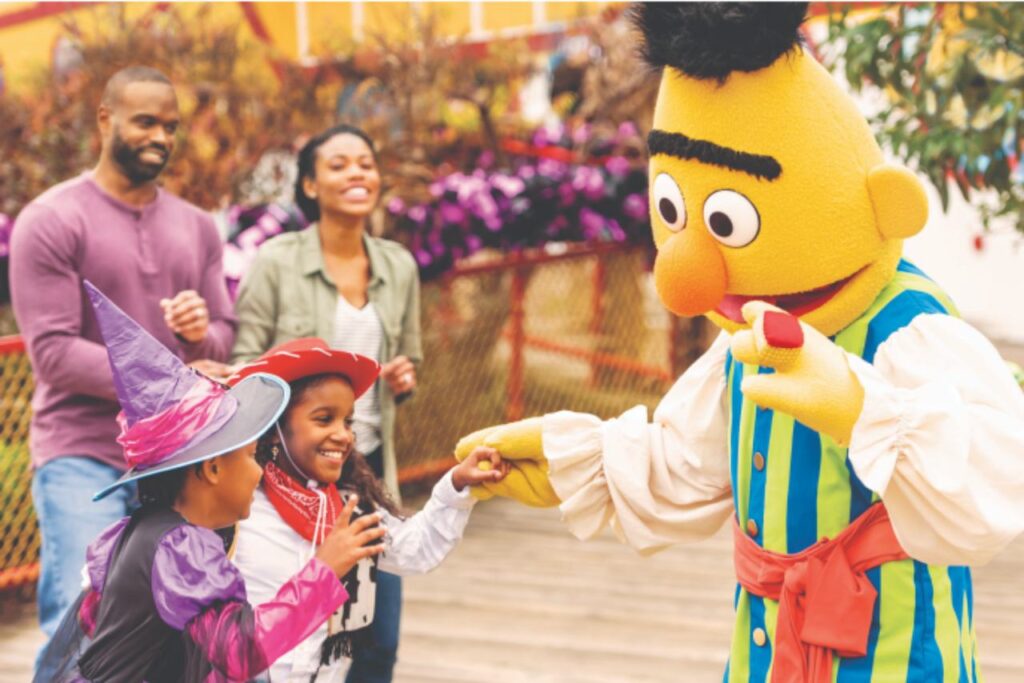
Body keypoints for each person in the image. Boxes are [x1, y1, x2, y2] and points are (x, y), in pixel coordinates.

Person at [455, 4, 1024, 681]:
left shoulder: (908, 327)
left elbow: (996, 483)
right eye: (674, 210)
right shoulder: (745, 335)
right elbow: (686, 461)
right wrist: (577, 461)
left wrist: (860, 406)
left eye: (728, 219)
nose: (687, 274)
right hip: (767, 653)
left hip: (895, 659)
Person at [36, 283, 384, 683]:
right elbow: (240, 651)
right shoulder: (183, 547)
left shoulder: (137, 532)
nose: (259, 472)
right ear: (213, 469)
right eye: (253, 456)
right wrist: (323, 570)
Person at [9, 65, 235, 640]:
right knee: (84, 620)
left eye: (171, 126)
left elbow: (222, 339)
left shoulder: (197, 227)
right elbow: (55, 356)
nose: (161, 137)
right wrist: (177, 379)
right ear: (105, 119)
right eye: (145, 122)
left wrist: (197, 331)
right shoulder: (52, 220)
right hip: (84, 455)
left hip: (179, 463)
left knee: (179, 632)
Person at [232, 123, 420, 681]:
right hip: (286, 477)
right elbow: (244, 369)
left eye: (365, 162)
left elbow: (409, 363)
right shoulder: (275, 261)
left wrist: (406, 379)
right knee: (304, 634)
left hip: (364, 472)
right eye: (338, 164)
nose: (357, 173)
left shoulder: (399, 267)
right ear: (310, 185)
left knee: (378, 638)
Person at [226, 338, 508, 681]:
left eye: (347, 422)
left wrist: (458, 484)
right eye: (324, 419)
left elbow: (415, 550)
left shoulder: (350, 510)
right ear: (274, 430)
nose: (343, 435)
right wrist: (325, 568)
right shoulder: (239, 511)